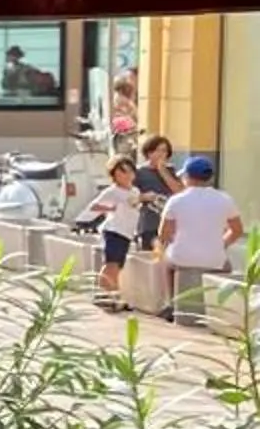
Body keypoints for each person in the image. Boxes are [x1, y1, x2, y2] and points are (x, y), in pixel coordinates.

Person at [155, 154, 245, 314]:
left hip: (182, 257)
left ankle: (171, 303)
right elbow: (237, 230)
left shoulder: (176, 200)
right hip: (214, 258)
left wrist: (175, 241)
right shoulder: (225, 199)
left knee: (166, 262)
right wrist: (222, 244)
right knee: (227, 267)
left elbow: (163, 234)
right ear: (211, 178)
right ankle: (222, 309)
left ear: (187, 177)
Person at [81, 154, 145, 304]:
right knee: (111, 264)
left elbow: (134, 205)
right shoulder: (112, 191)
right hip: (113, 230)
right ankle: (104, 295)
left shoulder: (135, 191)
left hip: (126, 233)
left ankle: (112, 295)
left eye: (129, 171)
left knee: (118, 266)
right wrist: (110, 208)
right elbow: (94, 206)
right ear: (114, 175)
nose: (126, 175)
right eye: (121, 172)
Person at [134, 134, 179, 251]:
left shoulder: (171, 170)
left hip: (170, 223)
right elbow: (129, 197)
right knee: (150, 256)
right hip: (149, 223)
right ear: (148, 153)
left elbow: (179, 191)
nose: (160, 154)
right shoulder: (139, 172)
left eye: (164, 151)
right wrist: (144, 197)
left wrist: (163, 171)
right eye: (157, 150)